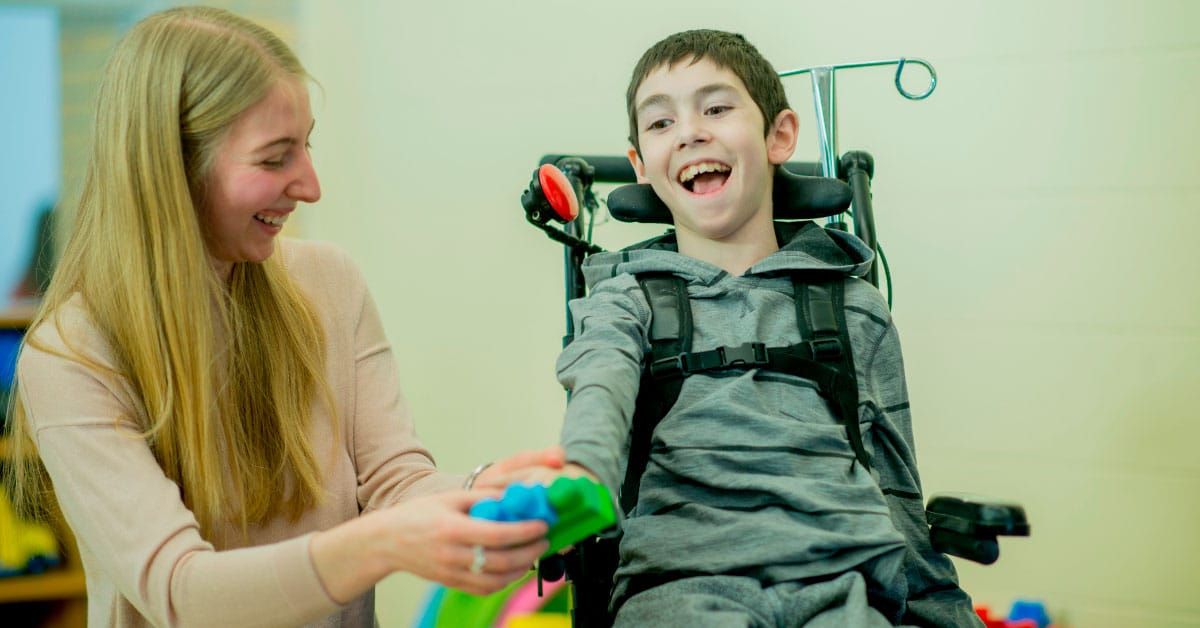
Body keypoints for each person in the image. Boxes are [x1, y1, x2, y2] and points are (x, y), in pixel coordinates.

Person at [2, 7, 562, 627]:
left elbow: (395, 480)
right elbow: (180, 591)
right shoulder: (70, 356)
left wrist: (485, 494)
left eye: (307, 145)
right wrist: (381, 543)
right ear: (170, 169)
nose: (311, 185)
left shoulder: (331, 283)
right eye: (274, 159)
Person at [542, 30, 981, 626]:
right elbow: (599, 396)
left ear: (780, 135)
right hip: (684, 585)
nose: (691, 131)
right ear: (641, 167)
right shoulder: (625, 301)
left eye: (716, 108)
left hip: (843, 584)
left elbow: (897, 488)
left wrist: (942, 612)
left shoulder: (854, 307)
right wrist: (579, 479)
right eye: (661, 122)